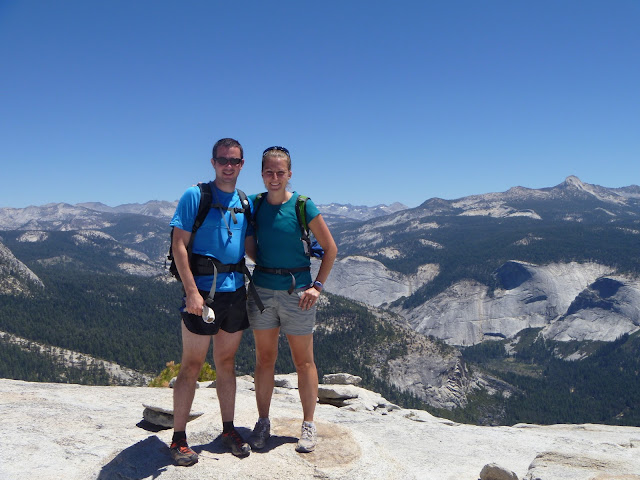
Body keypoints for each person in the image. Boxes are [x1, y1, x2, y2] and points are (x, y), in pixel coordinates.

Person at [245, 146, 337, 453]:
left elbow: (330, 248)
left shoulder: (302, 205)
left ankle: (308, 423)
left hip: (298, 294)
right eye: (269, 172)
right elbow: (247, 240)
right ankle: (262, 422)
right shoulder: (254, 204)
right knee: (264, 360)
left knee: (304, 361)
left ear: (289, 174)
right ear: (262, 174)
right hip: (262, 290)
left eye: (280, 172)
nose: (274, 177)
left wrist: (317, 286)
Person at [168, 137, 253, 466]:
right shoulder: (196, 195)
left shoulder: (243, 201)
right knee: (191, 365)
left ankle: (228, 430)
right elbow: (179, 245)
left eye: (234, 161)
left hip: (236, 291)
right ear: (213, 162)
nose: (228, 166)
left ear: (241, 164)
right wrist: (191, 291)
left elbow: (249, 248)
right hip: (202, 294)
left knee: (226, 363)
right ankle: (178, 438)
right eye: (222, 160)